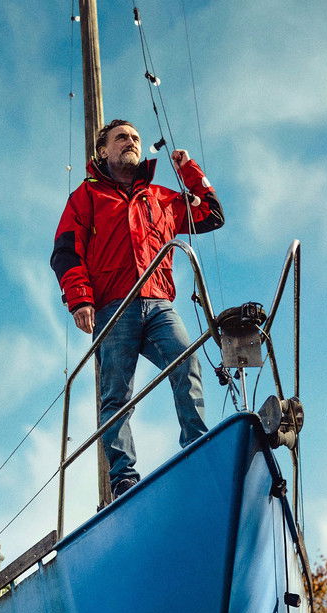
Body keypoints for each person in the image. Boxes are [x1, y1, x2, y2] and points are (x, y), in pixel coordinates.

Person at [50, 119, 224, 499]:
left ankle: (197, 449)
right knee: (116, 395)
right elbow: (65, 252)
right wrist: (80, 299)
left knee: (187, 362)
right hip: (114, 307)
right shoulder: (86, 197)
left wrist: (188, 170)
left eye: (135, 138)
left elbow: (212, 214)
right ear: (103, 151)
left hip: (159, 304)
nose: (130, 142)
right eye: (121, 138)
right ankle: (124, 478)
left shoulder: (161, 197)